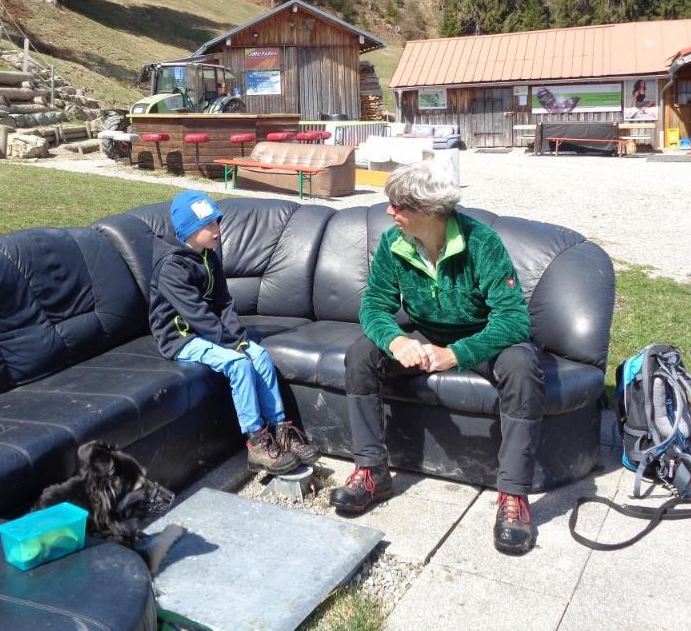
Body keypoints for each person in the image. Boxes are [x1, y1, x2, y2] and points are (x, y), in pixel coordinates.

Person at [328, 162, 545, 555]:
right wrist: (395, 342)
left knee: (522, 366)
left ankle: (512, 495)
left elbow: (513, 319)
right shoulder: (395, 244)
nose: (389, 213)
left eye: (397, 206)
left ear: (428, 211)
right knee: (361, 353)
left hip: (481, 336)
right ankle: (372, 471)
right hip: (425, 332)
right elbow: (374, 307)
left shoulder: (482, 243)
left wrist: (458, 354)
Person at [149, 190, 318, 474]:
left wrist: (239, 338)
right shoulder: (171, 267)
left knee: (260, 355)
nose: (217, 231)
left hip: (211, 333)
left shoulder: (209, 257)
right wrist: (231, 345)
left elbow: (223, 303)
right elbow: (197, 315)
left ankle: (281, 431)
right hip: (181, 337)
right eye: (209, 225)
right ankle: (256, 442)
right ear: (189, 231)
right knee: (238, 363)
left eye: (218, 222)